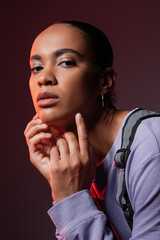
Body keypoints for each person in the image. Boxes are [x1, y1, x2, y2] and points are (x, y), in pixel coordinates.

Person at [24, 21, 160, 240]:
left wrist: (72, 198)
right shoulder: (77, 164)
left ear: (104, 81)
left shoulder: (150, 143)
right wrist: (64, 190)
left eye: (66, 62)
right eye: (36, 68)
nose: (43, 78)